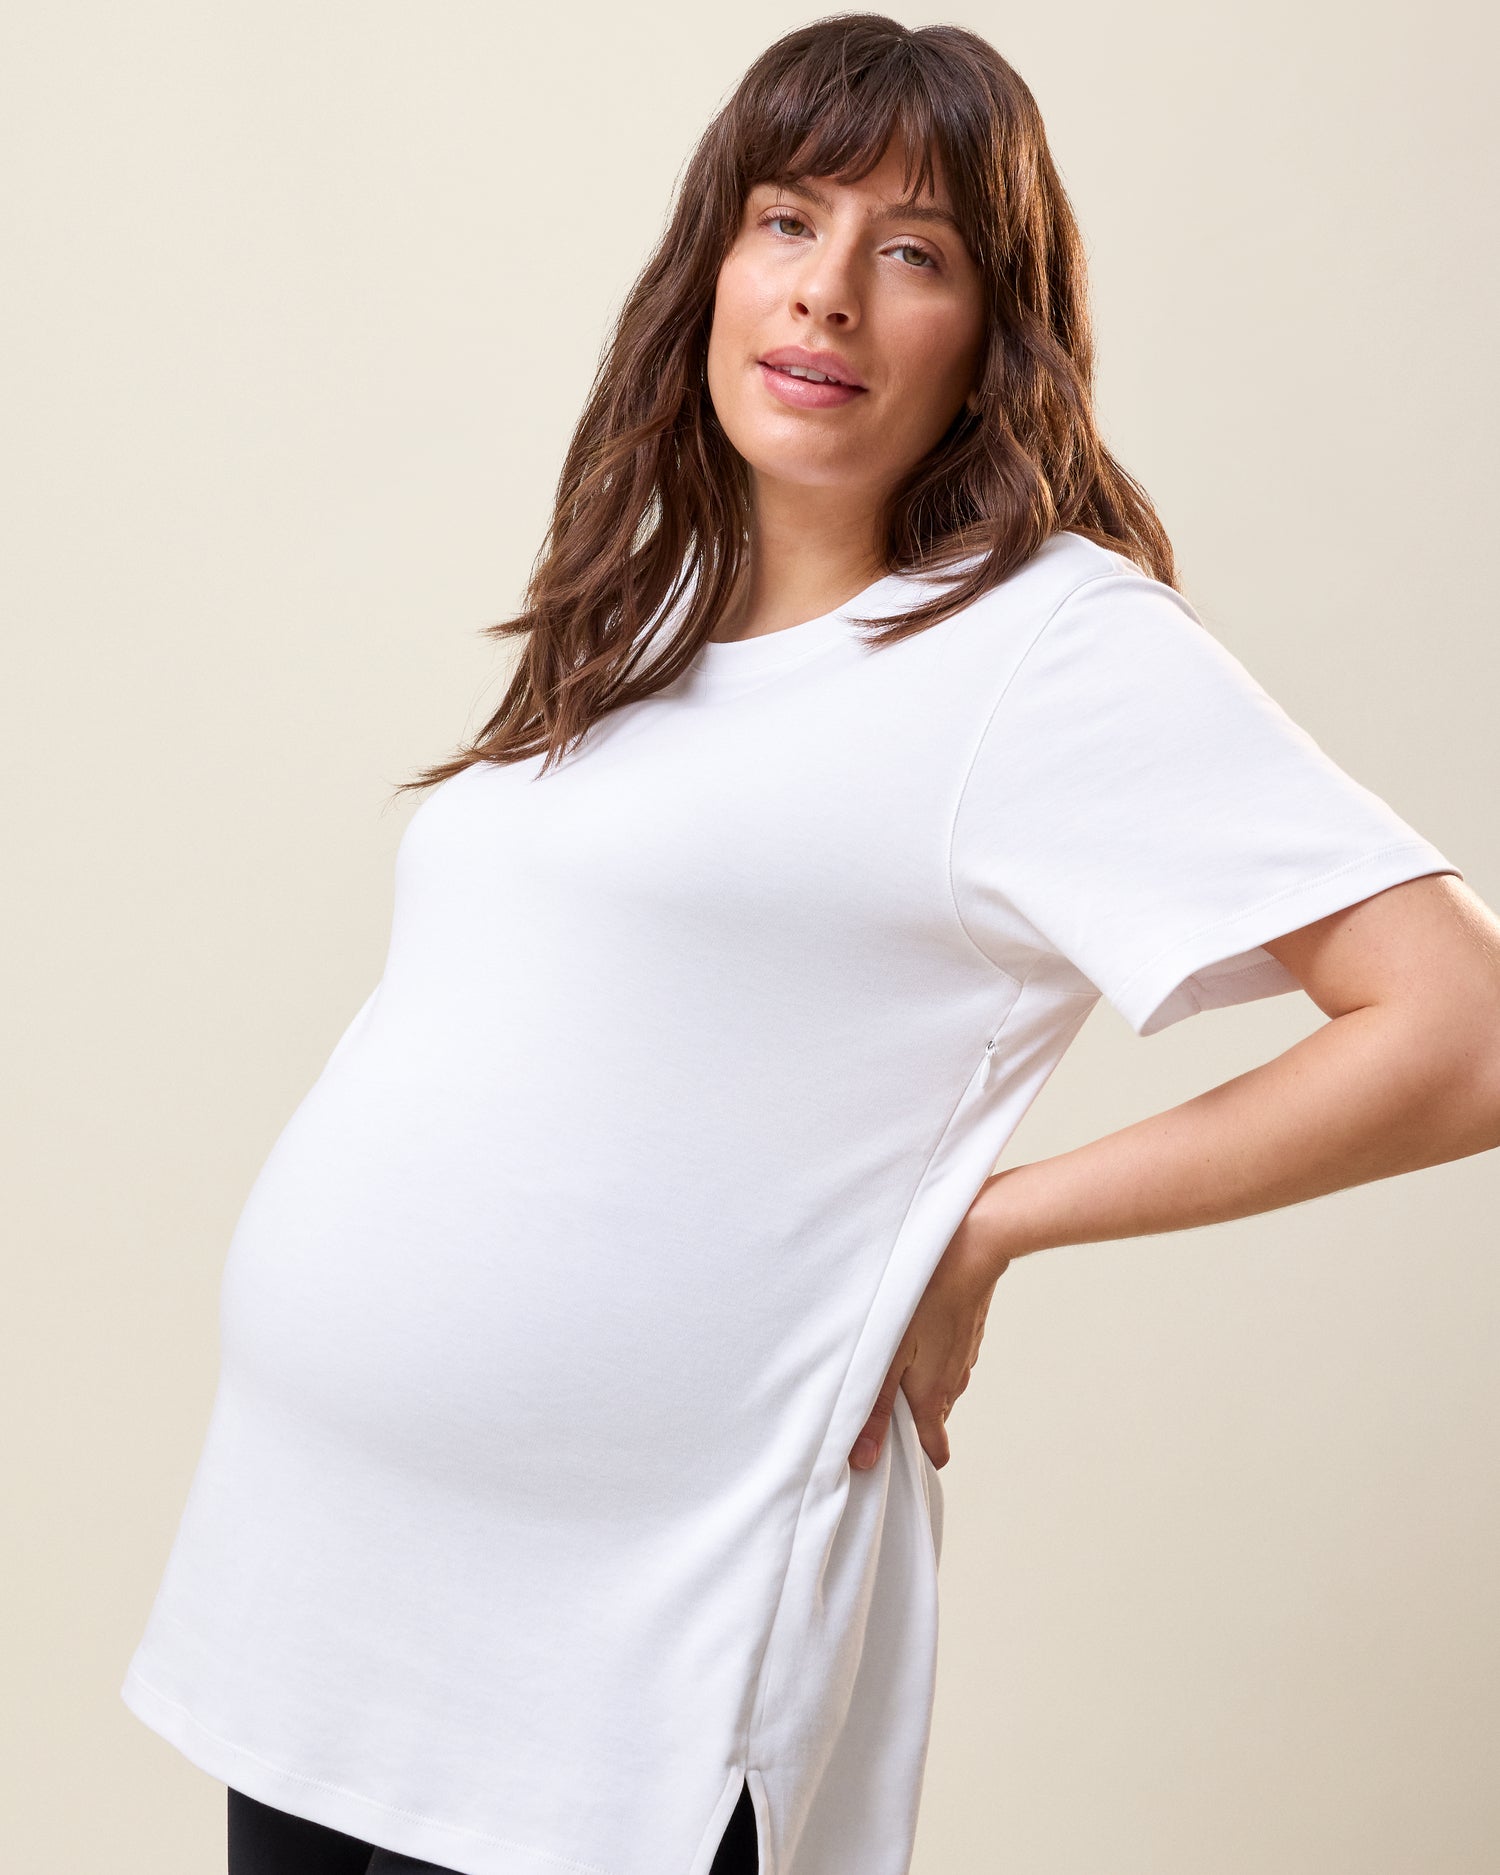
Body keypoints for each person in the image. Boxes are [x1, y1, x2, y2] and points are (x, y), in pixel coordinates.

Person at [119, 16, 1500, 1875]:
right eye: (787, 220)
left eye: (911, 251)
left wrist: (990, 1222)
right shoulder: (651, 623)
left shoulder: (1041, 650)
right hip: (329, 1586)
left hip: (620, 1660)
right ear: (712, 264)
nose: (829, 292)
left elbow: (1463, 1028)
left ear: (990, 334)